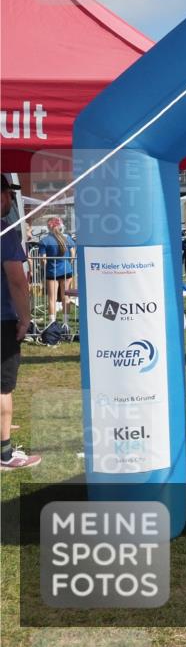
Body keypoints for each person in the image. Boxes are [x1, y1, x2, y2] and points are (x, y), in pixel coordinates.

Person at [1, 176, 40, 470]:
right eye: (7, 194)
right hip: (3, 319)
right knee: (3, 388)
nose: (11, 201)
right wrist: (25, 319)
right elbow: (17, 281)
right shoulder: (6, 233)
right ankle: (5, 454)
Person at [38, 216, 76, 325]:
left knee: (52, 299)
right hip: (66, 271)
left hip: (51, 272)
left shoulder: (44, 241)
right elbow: (73, 254)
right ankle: (65, 323)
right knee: (66, 297)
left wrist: (43, 268)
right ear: (60, 226)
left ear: (48, 227)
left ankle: (52, 323)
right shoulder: (67, 238)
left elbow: (43, 260)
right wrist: (69, 264)